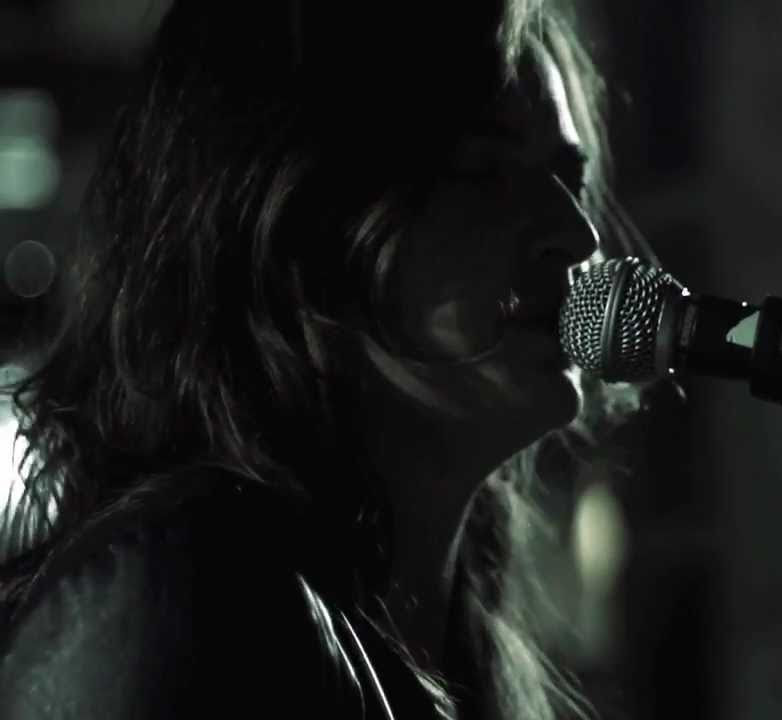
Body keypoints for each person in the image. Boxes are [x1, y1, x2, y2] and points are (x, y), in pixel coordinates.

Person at [0, 2, 646, 718]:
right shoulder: (175, 603)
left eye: (569, 180)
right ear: (295, 217)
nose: (578, 235)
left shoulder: (455, 643)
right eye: (484, 170)